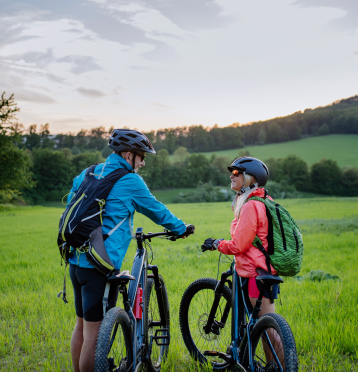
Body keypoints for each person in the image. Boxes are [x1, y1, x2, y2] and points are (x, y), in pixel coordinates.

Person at [67, 129, 192, 372]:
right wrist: (179, 228)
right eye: (141, 156)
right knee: (94, 334)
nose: (143, 161)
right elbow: (156, 210)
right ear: (127, 155)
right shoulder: (130, 180)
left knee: (81, 327)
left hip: (75, 261)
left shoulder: (88, 172)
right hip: (99, 266)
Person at [202, 156, 282, 361]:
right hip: (260, 270)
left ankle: (279, 367)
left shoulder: (250, 206)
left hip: (255, 274)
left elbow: (238, 245)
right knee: (262, 326)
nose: (232, 175)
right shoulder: (264, 200)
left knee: (267, 328)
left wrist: (217, 244)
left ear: (250, 178)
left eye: (237, 172)